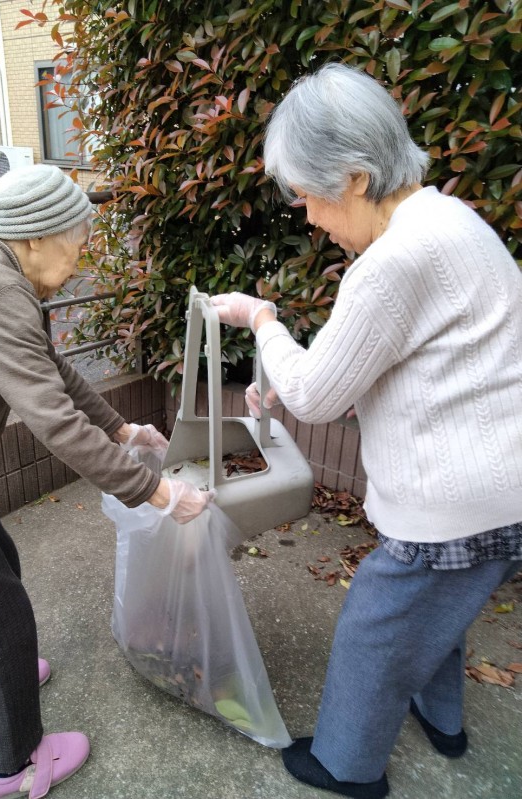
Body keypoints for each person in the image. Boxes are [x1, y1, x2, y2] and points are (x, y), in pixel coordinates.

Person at [211, 62, 522, 799]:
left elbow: (314, 394)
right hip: (499, 488)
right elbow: (427, 360)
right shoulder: (453, 221)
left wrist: (261, 320)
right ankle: (442, 721)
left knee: (376, 627)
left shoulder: (393, 261)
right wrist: (306, 375)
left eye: (308, 196)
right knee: (437, 614)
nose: (308, 217)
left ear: (354, 177)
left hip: (451, 501)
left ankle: (347, 765)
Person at [0, 164, 214, 799]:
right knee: (2, 626)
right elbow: (54, 420)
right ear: (35, 237)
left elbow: (50, 367)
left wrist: (122, 429)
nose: (84, 252)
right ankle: (14, 768)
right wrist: (160, 494)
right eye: (78, 238)